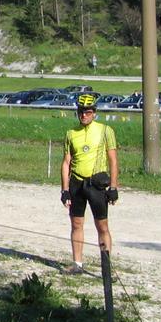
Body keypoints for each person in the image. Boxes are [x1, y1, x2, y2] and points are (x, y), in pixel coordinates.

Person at [60, 92, 119, 273]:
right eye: (81, 112)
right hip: (77, 183)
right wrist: (65, 190)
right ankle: (77, 263)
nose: (84, 115)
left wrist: (114, 187)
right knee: (76, 224)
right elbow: (66, 163)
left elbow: (113, 161)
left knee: (102, 225)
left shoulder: (105, 131)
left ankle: (106, 267)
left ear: (94, 112)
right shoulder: (71, 133)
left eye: (88, 112)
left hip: (97, 183)